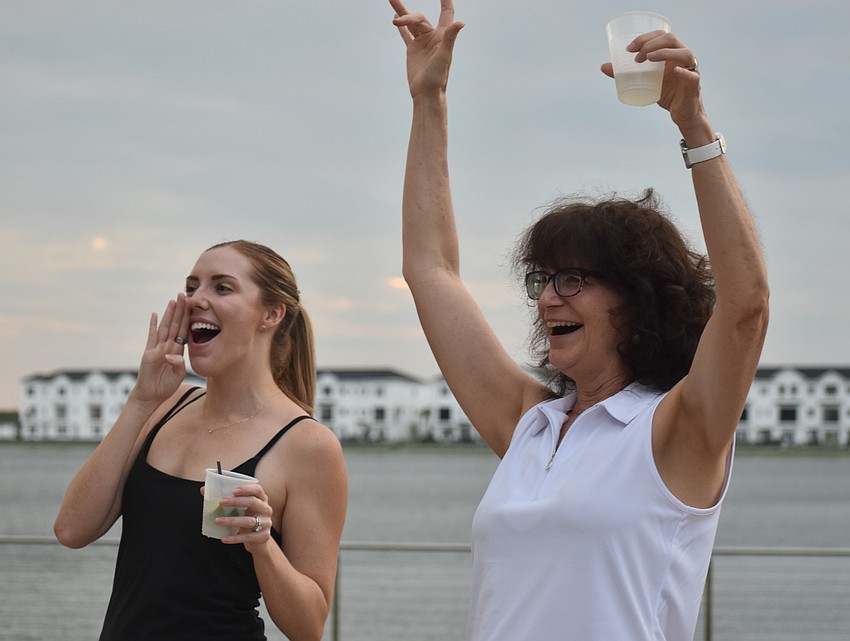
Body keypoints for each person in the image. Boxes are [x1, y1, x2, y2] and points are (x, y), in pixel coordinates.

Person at [389, 1, 769, 640]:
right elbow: (431, 272)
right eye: (543, 279)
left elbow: (746, 307)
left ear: (639, 300)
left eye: (574, 280)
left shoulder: (675, 430)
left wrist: (695, 127)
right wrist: (429, 101)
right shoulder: (531, 425)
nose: (548, 299)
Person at [54, 240, 348, 641]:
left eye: (222, 287)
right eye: (191, 287)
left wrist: (262, 544)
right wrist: (141, 400)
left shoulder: (308, 444)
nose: (195, 300)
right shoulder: (163, 406)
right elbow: (71, 530)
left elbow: (309, 626)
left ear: (271, 314)